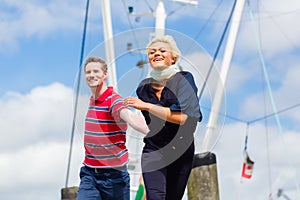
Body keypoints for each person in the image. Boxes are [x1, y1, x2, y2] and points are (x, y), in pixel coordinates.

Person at [124, 35, 202, 200]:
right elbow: (154, 125)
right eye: (152, 52)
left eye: (162, 50)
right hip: (154, 150)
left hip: (182, 151)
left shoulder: (184, 80)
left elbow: (182, 118)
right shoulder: (143, 89)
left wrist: (147, 106)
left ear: (173, 57)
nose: (156, 54)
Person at [77, 56, 149, 200]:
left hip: (114, 178)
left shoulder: (113, 100)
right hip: (89, 174)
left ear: (105, 74)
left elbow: (129, 116)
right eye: (88, 72)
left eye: (96, 71)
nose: (91, 75)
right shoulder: (93, 100)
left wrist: (156, 133)